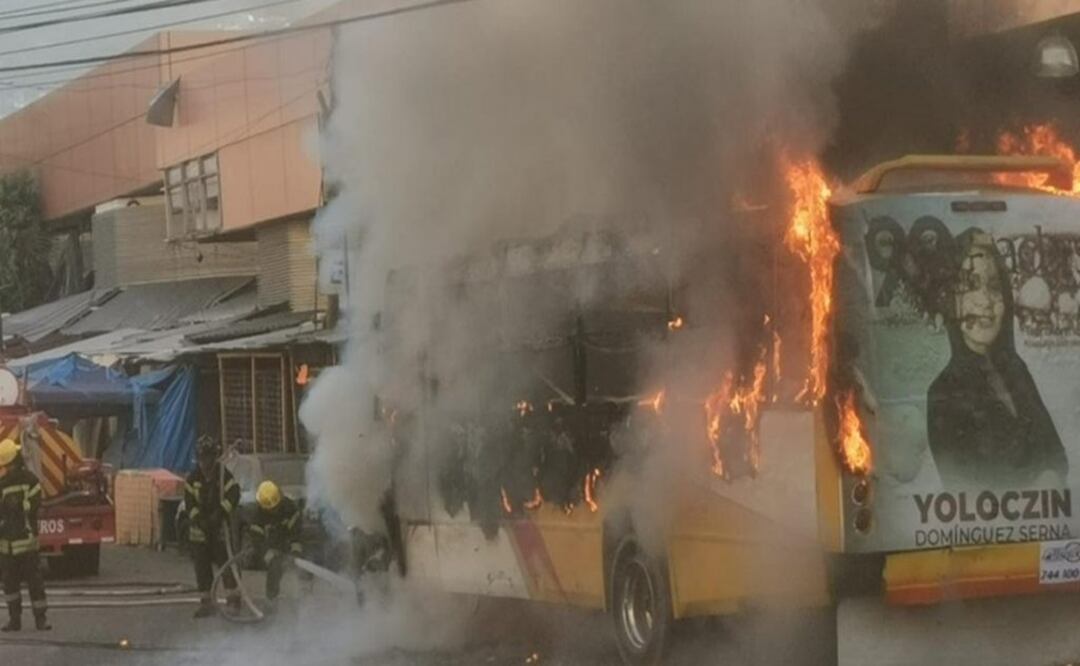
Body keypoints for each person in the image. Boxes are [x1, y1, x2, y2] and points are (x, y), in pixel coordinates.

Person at [927, 229, 1068, 488]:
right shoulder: (942, 392)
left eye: (994, 287)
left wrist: (1050, 478)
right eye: (970, 285)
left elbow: (1057, 456)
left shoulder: (1016, 369)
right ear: (950, 302)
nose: (986, 302)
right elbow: (967, 491)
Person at [185, 435, 241, 618]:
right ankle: (206, 603)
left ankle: (233, 600)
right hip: (199, 532)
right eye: (201, 458)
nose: (204, 462)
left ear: (213, 456)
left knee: (226, 565)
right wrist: (199, 519)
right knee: (202, 568)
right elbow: (189, 503)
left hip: (219, 530)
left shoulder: (223, 475)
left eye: (207, 457)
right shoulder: (192, 478)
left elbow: (234, 494)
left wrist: (221, 513)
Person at [0, 439, 48, 631]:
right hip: (19, 543)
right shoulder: (30, 479)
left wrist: (14, 512)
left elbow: (31, 505)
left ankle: (20, 619)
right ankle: (35, 620)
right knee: (28, 582)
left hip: (15, 544)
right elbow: (35, 504)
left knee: (15, 583)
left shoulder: (14, 482)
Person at [247, 481, 302, 602]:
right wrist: (266, 552)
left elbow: (296, 534)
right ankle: (271, 599)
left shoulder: (290, 509)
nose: (274, 511)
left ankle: (304, 598)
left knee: (303, 565)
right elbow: (256, 539)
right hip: (269, 549)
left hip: (287, 544)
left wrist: (295, 552)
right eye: (271, 509)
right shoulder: (257, 516)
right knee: (275, 567)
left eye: (276, 507)